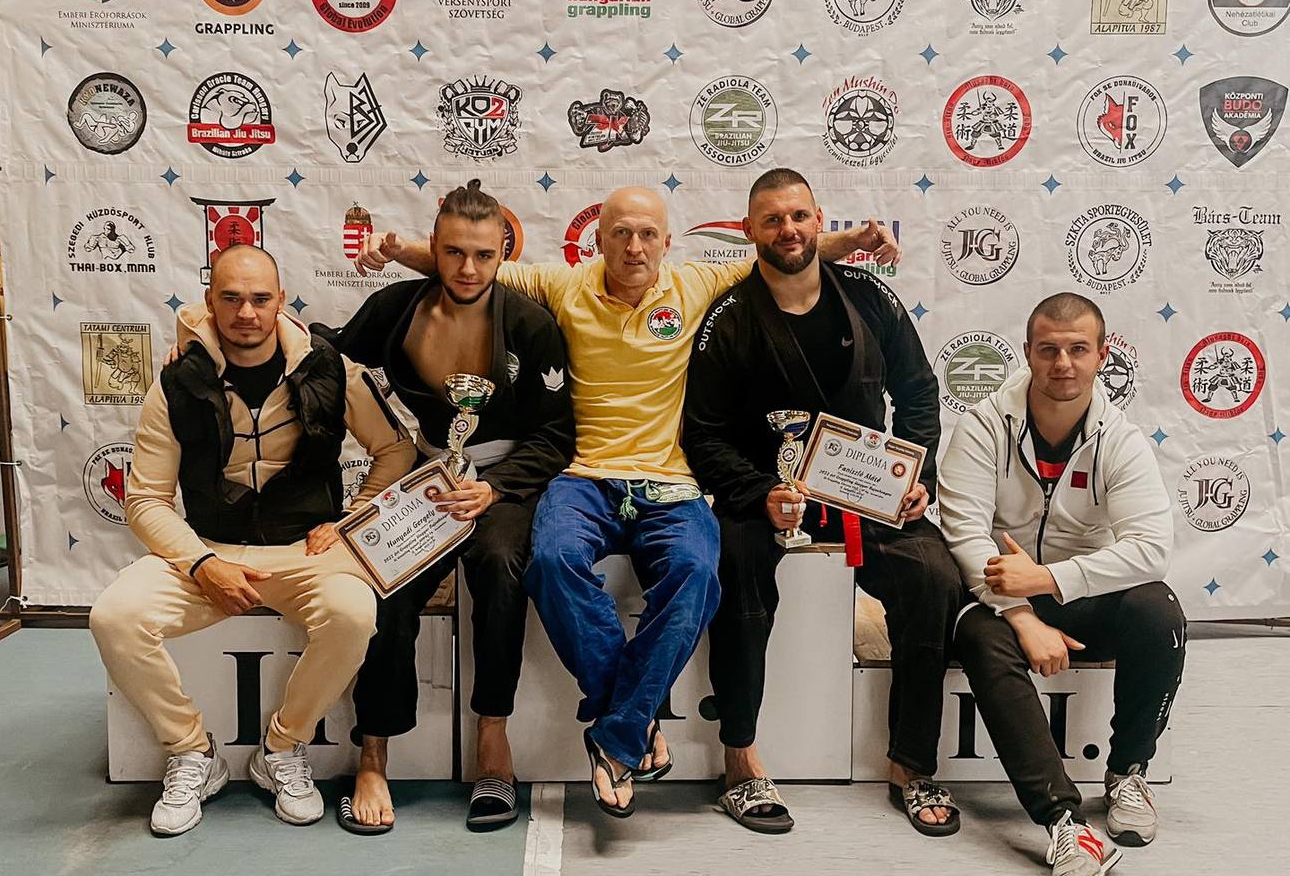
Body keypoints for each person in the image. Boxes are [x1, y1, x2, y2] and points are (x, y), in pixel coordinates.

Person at [354, 187, 897, 817]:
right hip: (583, 478)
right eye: (620, 234)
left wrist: (852, 242)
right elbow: (472, 266)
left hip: (671, 482)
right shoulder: (564, 286)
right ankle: (633, 721)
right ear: (599, 239)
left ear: (667, 242)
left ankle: (616, 733)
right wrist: (401, 251)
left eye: (646, 235)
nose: (633, 247)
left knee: (698, 571)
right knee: (551, 561)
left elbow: (783, 251)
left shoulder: (694, 284)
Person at [89, 245, 415, 837]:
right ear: (209, 301)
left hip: (304, 553)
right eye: (232, 298)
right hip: (208, 548)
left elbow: (396, 449)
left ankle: (282, 748)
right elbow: (145, 499)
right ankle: (192, 751)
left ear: (281, 301)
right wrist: (201, 563)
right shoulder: (177, 382)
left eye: (260, 299)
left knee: (354, 613)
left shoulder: (330, 367)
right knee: (115, 617)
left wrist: (355, 518)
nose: (246, 313)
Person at [683, 168, 965, 835]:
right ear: (749, 231)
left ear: (819, 220)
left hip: (865, 491)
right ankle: (740, 759)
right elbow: (702, 432)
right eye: (772, 220)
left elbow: (918, 393)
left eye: (799, 216)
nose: (788, 230)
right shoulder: (728, 316)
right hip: (764, 493)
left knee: (933, 576)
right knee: (736, 569)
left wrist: (915, 473)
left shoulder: (868, 298)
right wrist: (759, 492)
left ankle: (910, 763)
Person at [314, 180, 574, 833]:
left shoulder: (531, 325)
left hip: (501, 482)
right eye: (454, 252)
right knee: (384, 581)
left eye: (483, 255)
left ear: (502, 255)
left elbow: (556, 434)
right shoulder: (396, 308)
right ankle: (373, 752)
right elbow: (323, 353)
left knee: (500, 564)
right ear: (434, 247)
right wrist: (201, 335)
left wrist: (500, 486)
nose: (467, 269)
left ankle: (493, 736)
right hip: (428, 472)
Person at [938, 291, 1184, 876]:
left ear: (1102, 356)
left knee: (1157, 608)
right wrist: (1023, 614)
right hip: (1000, 598)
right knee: (979, 635)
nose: (1063, 364)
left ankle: (1127, 772)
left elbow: (1151, 549)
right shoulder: (982, 426)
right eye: (1048, 350)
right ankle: (1065, 826)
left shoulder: (1120, 439)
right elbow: (964, 535)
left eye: (1078, 349)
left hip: (1075, 592)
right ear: (1027, 353)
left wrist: (1049, 580)